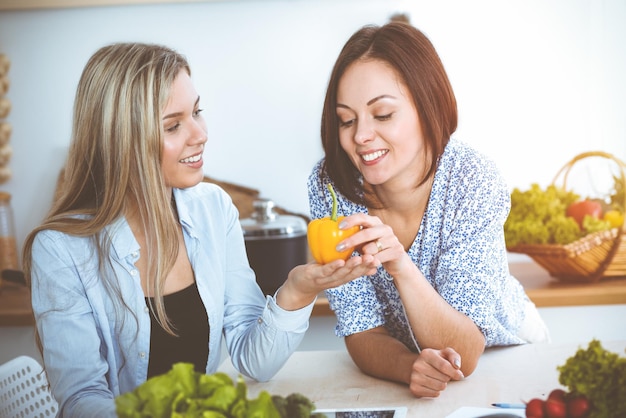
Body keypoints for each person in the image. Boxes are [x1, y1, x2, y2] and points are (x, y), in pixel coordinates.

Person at [22, 42, 376, 417]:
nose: (200, 134)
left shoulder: (213, 209)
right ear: (122, 140)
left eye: (197, 112)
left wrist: (300, 290)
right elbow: (81, 400)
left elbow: (254, 360)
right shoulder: (60, 250)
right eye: (174, 125)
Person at [307, 22, 550, 398]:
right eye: (347, 120)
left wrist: (400, 265)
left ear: (427, 105)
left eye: (383, 114)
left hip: (505, 355)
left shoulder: (472, 179)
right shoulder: (331, 186)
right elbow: (362, 329)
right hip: (411, 368)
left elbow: (465, 352)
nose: (360, 136)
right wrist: (410, 367)